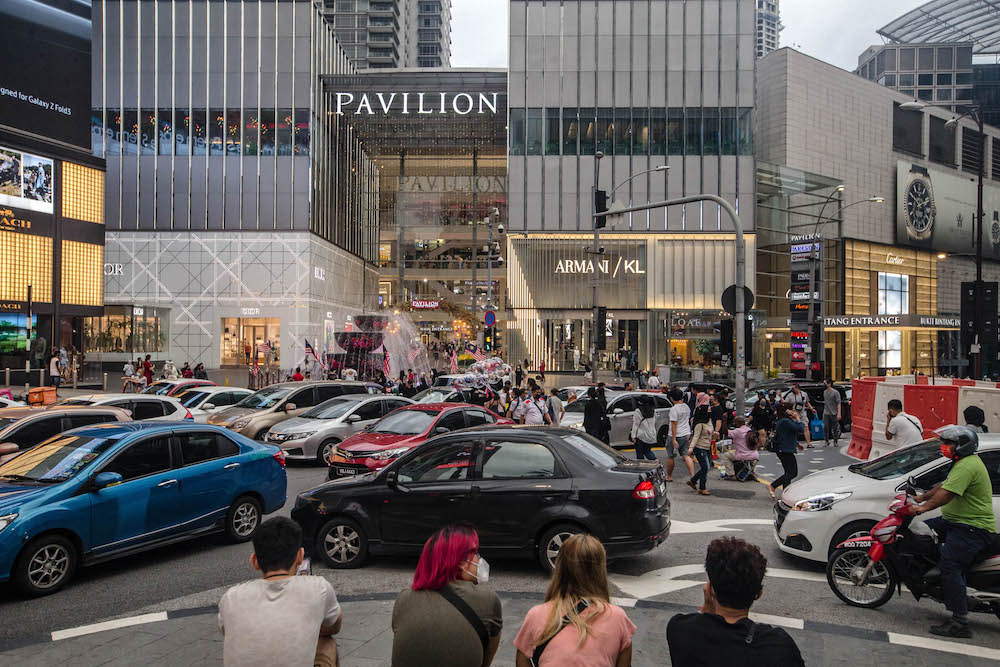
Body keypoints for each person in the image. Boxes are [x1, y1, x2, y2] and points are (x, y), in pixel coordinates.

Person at [218, 517, 342, 667]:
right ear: (300, 557)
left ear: (254, 561)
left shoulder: (230, 597)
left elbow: (227, 631)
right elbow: (334, 626)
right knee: (327, 643)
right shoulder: (318, 587)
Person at [912, 425, 996, 638]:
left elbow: (947, 494)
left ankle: (960, 622)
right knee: (922, 531)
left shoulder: (968, 466)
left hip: (971, 527)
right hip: (955, 521)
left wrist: (922, 507)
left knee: (951, 565)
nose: (944, 447)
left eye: (949, 444)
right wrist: (921, 497)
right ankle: (933, 580)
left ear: (963, 446)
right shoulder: (960, 464)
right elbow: (944, 485)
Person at [666, 537, 804, 666]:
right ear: (758, 594)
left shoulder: (679, 629)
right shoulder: (780, 647)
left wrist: (706, 611)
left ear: (710, 590)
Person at [513, 535, 635, 667]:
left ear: (560, 569)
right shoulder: (618, 618)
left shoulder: (536, 616)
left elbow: (522, 661)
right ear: (600, 571)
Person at [392, 525, 502, 666]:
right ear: (462, 562)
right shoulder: (488, 600)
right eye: (476, 553)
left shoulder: (403, 599)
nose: (479, 560)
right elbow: (485, 662)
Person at [768, 402, 805, 499]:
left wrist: (797, 443)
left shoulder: (782, 420)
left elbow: (786, 434)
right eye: (791, 409)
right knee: (793, 473)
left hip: (783, 449)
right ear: (786, 411)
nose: (793, 411)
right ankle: (773, 485)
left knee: (788, 473)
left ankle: (785, 493)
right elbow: (800, 428)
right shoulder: (785, 421)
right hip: (785, 450)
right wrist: (797, 418)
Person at [688, 397, 714, 496]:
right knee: (705, 467)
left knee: (707, 466)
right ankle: (702, 488)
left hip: (708, 446)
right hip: (700, 447)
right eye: (708, 410)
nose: (710, 412)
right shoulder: (699, 424)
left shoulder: (709, 421)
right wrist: (690, 448)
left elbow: (711, 431)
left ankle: (693, 480)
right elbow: (695, 436)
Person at [666, 389, 693, 483]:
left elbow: (674, 424)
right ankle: (692, 476)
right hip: (686, 433)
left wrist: (673, 439)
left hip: (676, 435)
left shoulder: (674, 409)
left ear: (671, 398)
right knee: (686, 455)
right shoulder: (686, 407)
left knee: (671, 456)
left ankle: (669, 476)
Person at [720, 416, 758, 480]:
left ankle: (731, 475)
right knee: (752, 458)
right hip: (754, 455)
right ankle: (753, 473)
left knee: (726, 455)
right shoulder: (750, 430)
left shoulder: (737, 431)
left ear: (738, 423)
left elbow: (725, 432)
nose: (734, 424)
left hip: (742, 455)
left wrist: (724, 421)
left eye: (735, 422)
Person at [782, 383, 812, 447]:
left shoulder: (804, 394)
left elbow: (807, 403)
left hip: (802, 412)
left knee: (806, 427)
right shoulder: (790, 395)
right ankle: (794, 442)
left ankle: (809, 443)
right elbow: (785, 403)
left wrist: (812, 409)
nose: (792, 390)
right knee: (794, 428)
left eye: (793, 388)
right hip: (794, 413)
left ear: (797, 388)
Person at [630, 396, 658, 461]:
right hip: (651, 434)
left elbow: (635, 424)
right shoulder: (652, 410)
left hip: (641, 435)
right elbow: (655, 420)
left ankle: (641, 466)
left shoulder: (638, 411)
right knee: (647, 451)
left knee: (639, 453)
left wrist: (633, 436)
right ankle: (655, 461)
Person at [822, 379, 842, 447]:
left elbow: (838, 403)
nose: (824, 385)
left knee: (834, 428)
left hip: (834, 412)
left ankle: (835, 441)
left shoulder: (835, 392)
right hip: (826, 412)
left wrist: (839, 413)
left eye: (825, 383)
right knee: (825, 427)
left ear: (829, 384)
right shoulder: (824, 392)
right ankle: (826, 441)